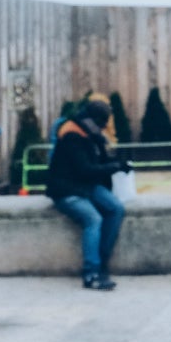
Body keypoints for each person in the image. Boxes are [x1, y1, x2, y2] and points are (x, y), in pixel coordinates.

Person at [46, 98, 131, 290]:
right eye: (101, 123)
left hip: (86, 185)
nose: (103, 128)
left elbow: (97, 162)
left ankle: (101, 261)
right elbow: (85, 169)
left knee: (115, 208)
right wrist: (115, 167)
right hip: (66, 189)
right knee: (93, 218)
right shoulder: (72, 135)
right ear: (92, 120)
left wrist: (115, 161)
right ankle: (91, 273)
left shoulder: (90, 133)